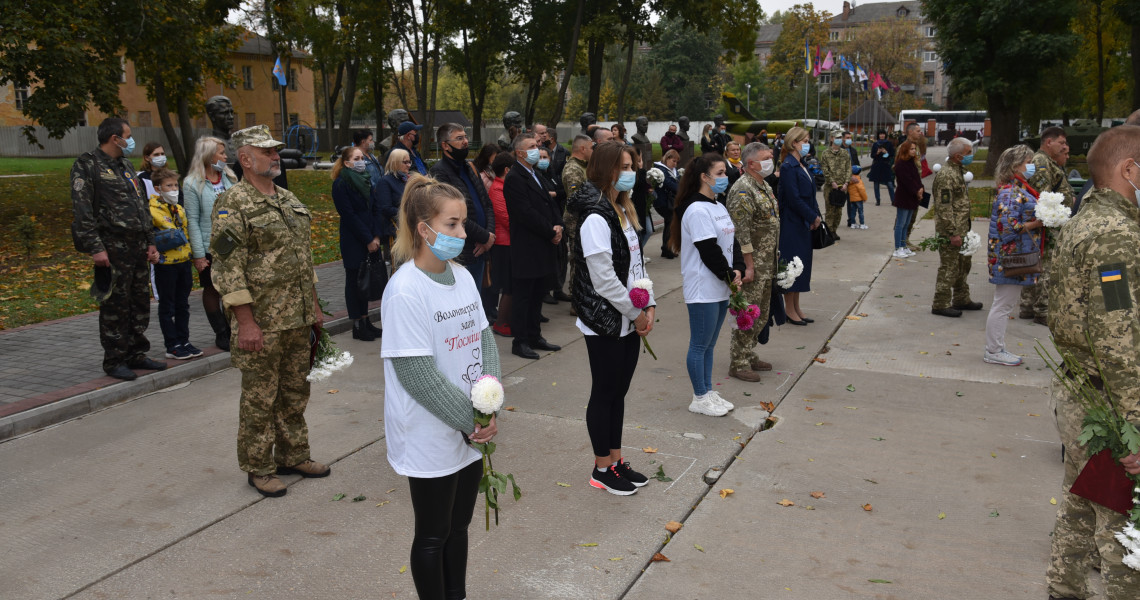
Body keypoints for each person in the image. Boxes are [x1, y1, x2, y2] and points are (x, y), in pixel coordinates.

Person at [379, 175, 501, 600]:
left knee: (459, 527)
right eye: (452, 225)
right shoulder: (405, 291)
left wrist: (490, 402)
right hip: (432, 429)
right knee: (433, 534)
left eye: (463, 223)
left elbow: (484, 339)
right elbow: (418, 375)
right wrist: (474, 420)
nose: (462, 234)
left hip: (469, 424)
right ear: (422, 229)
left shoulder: (462, 275)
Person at [1045, 124, 1140, 600]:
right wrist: (1133, 424)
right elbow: (1116, 334)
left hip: (1080, 389)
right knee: (1121, 527)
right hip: (1108, 400)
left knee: (1080, 504)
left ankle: (1063, 588)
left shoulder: (1083, 221)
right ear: (1129, 169)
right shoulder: (1115, 238)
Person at [208, 125, 329, 498]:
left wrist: (314, 307)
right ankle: (259, 467)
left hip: (297, 316)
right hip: (262, 322)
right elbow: (228, 269)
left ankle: (293, 455)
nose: (276, 156)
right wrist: (246, 322)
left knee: (295, 392)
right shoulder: (232, 204)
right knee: (261, 398)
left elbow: (303, 260)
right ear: (245, 159)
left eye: (276, 151)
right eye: (267, 152)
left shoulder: (289, 200)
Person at [567, 141, 654, 495]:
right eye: (623, 165)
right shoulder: (594, 216)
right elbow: (603, 279)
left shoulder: (621, 208)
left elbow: (637, 266)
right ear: (605, 169)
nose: (630, 171)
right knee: (604, 392)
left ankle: (616, 461)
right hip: (604, 319)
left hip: (629, 317)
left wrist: (649, 306)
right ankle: (601, 467)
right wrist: (635, 313)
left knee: (619, 392)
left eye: (632, 164)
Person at [70, 117, 165, 381]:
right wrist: (94, 247)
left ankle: (136, 353)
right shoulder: (87, 164)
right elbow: (82, 210)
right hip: (111, 248)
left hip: (137, 246)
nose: (131, 140)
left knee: (138, 302)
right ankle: (115, 360)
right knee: (115, 305)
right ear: (115, 138)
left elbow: (140, 205)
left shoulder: (124, 165)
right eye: (128, 135)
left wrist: (150, 241)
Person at [667, 153, 744, 417]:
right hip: (703, 286)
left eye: (725, 173)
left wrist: (738, 270)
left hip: (721, 284)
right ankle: (699, 396)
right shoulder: (697, 209)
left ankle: (708, 391)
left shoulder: (718, 206)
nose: (725, 178)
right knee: (699, 344)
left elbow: (731, 242)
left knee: (710, 345)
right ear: (704, 177)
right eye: (721, 173)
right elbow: (708, 250)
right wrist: (728, 274)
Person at [503, 132, 563, 359]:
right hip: (527, 247)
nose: (537, 149)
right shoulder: (515, 178)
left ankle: (535, 335)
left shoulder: (535, 173)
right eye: (531, 146)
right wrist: (550, 231)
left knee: (538, 294)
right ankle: (521, 341)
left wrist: (557, 225)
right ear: (519, 153)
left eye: (537, 145)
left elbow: (550, 203)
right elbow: (525, 213)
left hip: (542, 245)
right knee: (524, 297)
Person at [982, 144, 1041, 367]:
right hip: (1010, 258)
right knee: (1003, 305)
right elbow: (1008, 229)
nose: (1031, 166)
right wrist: (1037, 222)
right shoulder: (1011, 193)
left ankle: (996, 347)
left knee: (1004, 303)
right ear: (1015, 165)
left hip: (1011, 257)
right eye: (1028, 162)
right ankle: (993, 350)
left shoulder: (1016, 189)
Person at [726, 142, 779, 383]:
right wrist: (748, 265)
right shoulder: (743, 189)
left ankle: (748, 352)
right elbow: (741, 233)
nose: (771, 160)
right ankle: (738, 362)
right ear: (751, 163)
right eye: (767, 157)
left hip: (766, 262)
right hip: (753, 265)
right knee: (747, 312)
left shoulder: (763, 185)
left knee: (762, 313)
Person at [429, 123, 496, 294]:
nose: (465, 141)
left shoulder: (470, 167)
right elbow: (452, 215)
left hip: (481, 247)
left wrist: (488, 236)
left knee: (476, 298)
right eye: (459, 138)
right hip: (461, 251)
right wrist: (484, 236)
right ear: (445, 145)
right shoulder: (439, 172)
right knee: (462, 299)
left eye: (465, 137)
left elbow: (487, 204)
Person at [184, 136, 237, 351]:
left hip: (234, 243)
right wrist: (198, 254)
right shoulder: (192, 184)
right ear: (208, 156)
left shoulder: (230, 178)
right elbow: (193, 221)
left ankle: (236, 327)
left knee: (234, 286)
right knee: (212, 288)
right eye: (221, 153)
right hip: (209, 246)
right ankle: (221, 332)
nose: (226, 157)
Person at [1021, 126, 1075, 325]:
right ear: (1048, 142)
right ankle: (1042, 309)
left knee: (1038, 266)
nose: (1065, 147)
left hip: (1047, 224)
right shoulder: (1042, 163)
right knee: (1046, 267)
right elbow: (1041, 198)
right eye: (1061, 142)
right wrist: (1050, 219)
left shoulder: (1048, 162)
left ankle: (1028, 306)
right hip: (1047, 226)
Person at [148, 168, 201, 361]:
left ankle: (184, 340)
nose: (173, 190)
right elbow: (151, 236)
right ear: (157, 188)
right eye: (168, 186)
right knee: (167, 306)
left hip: (183, 261)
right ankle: (172, 344)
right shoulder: (152, 210)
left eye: (175, 185)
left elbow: (186, 232)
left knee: (182, 304)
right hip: (166, 264)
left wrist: (195, 255)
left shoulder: (179, 208)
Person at [331, 145, 383, 341]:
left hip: (371, 237)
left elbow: (376, 209)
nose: (362, 161)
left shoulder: (367, 181)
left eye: (362, 157)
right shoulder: (341, 184)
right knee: (355, 282)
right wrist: (367, 238)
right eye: (357, 158)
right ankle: (357, 324)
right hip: (355, 240)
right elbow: (349, 215)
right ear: (347, 163)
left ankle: (366, 320)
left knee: (366, 282)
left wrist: (377, 236)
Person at [930, 138, 981, 318]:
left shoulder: (958, 171)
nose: (971, 156)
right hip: (951, 231)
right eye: (968, 153)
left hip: (962, 228)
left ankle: (961, 298)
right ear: (958, 156)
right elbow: (944, 207)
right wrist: (952, 233)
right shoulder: (946, 176)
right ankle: (940, 303)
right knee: (949, 267)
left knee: (962, 265)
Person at [776, 127, 821, 325]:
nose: (807, 144)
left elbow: (811, 194)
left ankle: (796, 307)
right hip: (793, 223)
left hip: (804, 222)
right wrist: (812, 216)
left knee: (801, 265)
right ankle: (788, 309)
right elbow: (793, 199)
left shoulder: (802, 164)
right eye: (804, 140)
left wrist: (816, 216)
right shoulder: (788, 167)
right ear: (794, 143)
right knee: (791, 266)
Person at [562, 134, 594, 307]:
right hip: (576, 221)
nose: (592, 151)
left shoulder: (583, 166)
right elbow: (576, 198)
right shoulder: (573, 169)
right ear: (582, 149)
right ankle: (576, 300)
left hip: (584, 219)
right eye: (590, 148)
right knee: (578, 261)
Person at [487, 152, 515, 337]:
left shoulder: (505, 186)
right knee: (509, 285)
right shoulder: (497, 189)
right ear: (507, 170)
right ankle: (501, 323)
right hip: (504, 243)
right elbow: (505, 217)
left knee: (512, 285)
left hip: (510, 241)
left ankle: (507, 320)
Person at [892, 141, 923, 258]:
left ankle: (903, 246)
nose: (914, 151)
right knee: (901, 223)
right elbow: (906, 181)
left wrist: (921, 189)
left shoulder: (912, 163)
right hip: (904, 196)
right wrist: (916, 190)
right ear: (905, 150)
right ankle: (897, 248)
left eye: (914, 149)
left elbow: (916, 178)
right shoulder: (900, 164)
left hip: (913, 197)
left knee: (906, 223)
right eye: (911, 149)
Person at [374, 149, 411, 248]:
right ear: (395, 163)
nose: (409, 165)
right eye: (405, 162)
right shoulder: (385, 182)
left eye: (409, 162)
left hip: (409, 227)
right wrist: (408, 212)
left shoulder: (406, 179)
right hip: (395, 231)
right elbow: (386, 208)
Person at [820, 131, 852, 237]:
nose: (839, 139)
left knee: (838, 210)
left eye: (840, 137)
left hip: (843, 187)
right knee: (830, 210)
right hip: (830, 187)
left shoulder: (845, 153)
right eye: (837, 137)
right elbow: (825, 169)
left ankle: (834, 230)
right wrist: (832, 181)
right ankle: (828, 232)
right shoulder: (826, 154)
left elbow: (848, 168)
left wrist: (846, 183)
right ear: (832, 138)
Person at [653, 149, 680, 259]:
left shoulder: (671, 169)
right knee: (670, 223)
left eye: (677, 162)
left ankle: (667, 248)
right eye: (673, 161)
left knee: (670, 224)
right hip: (663, 201)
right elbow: (668, 183)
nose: (675, 164)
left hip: (670, 201)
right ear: (667, 158)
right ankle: (666, 249)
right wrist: (681, 189)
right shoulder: (660, 169)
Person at [868, 129, 896, 206]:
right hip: (876, 165)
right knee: (876, 184)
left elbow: (892, 154)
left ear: (885, 135)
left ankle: (893, 200)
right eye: (880, 134)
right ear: (878, 135)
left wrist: (886, 152)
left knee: (889, 183)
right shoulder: (875, 144)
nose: (882, 135)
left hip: (885, 165)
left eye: (883, 134)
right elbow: (872, 155)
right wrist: (877, 152)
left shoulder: (889, 143)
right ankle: (878, 200)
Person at [847, 165, 867, 229]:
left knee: (853, 212)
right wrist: (865, 198)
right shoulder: (858, 180)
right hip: (859, 199)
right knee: (860, 212)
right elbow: (862, 190)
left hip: (852, 198)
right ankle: (862, 224)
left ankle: (853, 223)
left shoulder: (850, 180)